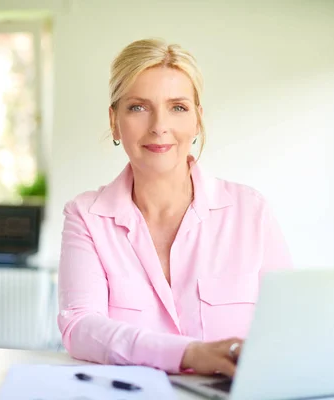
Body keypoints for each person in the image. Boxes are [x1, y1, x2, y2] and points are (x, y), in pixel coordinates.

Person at [57, 38, 292, 377]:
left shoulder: (250, 212)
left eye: (178, 107)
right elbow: (80, 327)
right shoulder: (85, 216)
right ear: (114, 121)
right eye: (138, 107)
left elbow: (289, 326)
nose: (159, 126)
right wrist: (190, 354)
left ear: (197, 119)